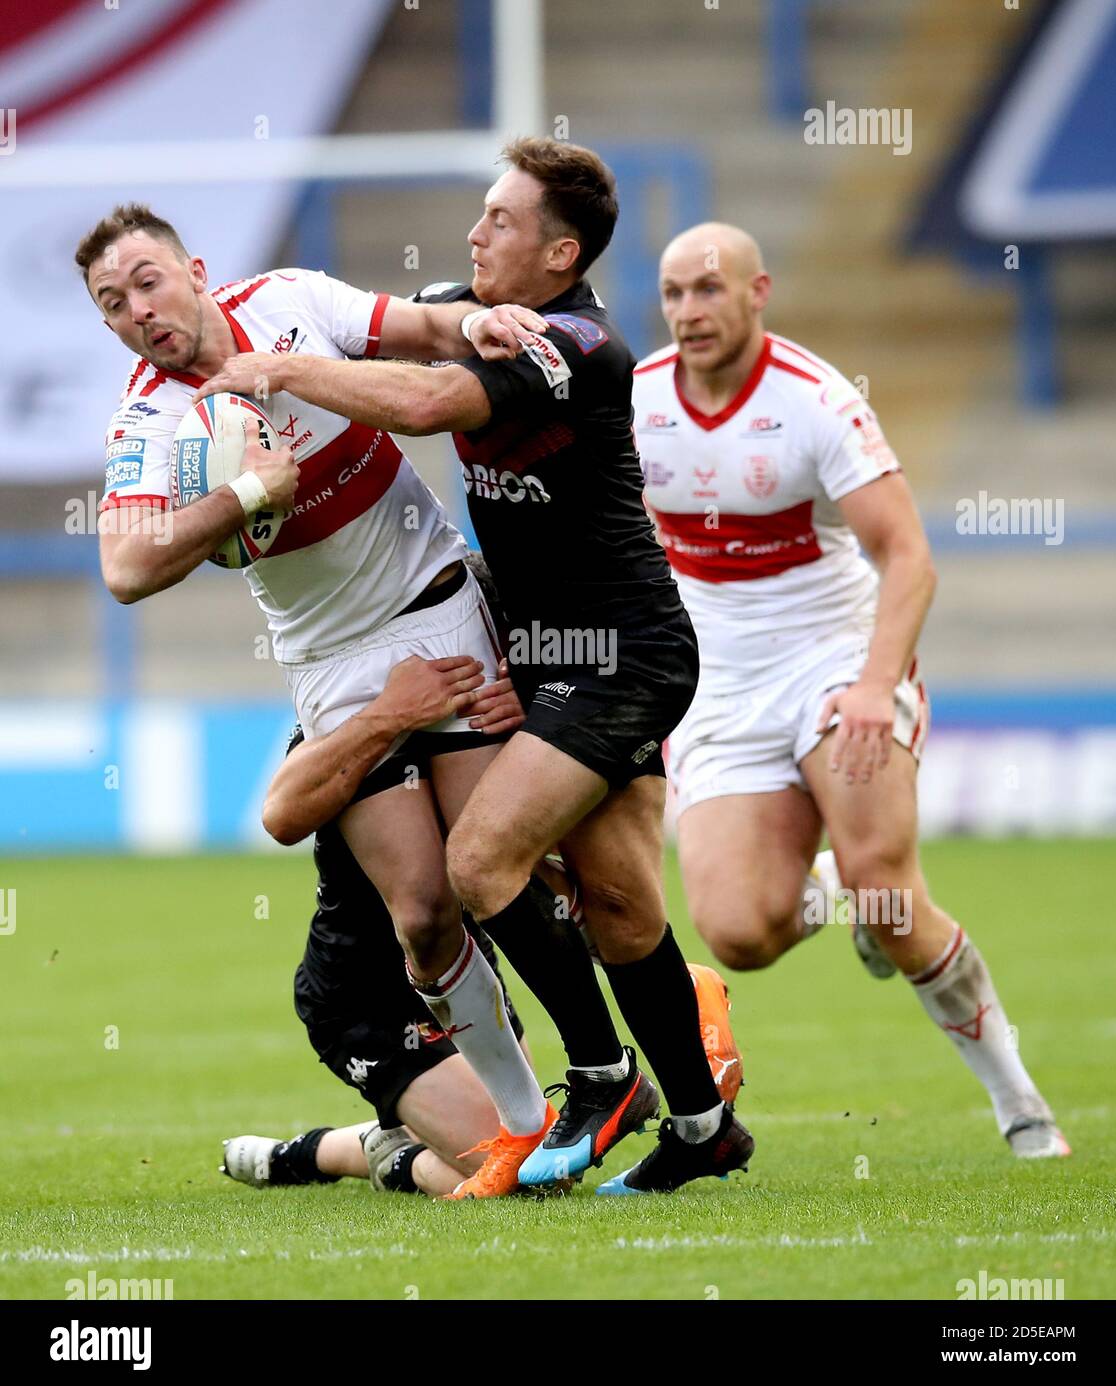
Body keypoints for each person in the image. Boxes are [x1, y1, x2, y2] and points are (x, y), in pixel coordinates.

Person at [195, 138, 754, 1198]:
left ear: (561, 252)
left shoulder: (579, 346)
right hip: (541, 654)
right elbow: (402, 327)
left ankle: (598, 1075)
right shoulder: (476, 309)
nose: (474, 233)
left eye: (500, 220)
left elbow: (417, 404)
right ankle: (701, 1124)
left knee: (482, 864)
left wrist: (274, 367)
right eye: (480, 214)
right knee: (623, 906)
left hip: (624, 650)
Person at [80, 206, 628, 1189]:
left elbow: (416, 330)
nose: (138, 311)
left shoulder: (289, 302)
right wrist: (246, 498)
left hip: (431, 605)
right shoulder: (146, 420)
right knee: (419, 912)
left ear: (195, 270)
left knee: (486, 867)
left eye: (149, 280)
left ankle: (617, 1058)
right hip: (330, 665)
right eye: (113, 303)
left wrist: (478, 323)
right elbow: (124, 568)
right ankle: (525, 1125)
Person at [633, 221, 1068, 1159]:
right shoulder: (637, 403)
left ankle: (1019, 1100)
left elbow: (907, 555)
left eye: (709, 289)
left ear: (759, 292)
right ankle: (825, 888)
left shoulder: (814, 399)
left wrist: (875, 686)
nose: (688, 311)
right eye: (673, 293)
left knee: (891, 899)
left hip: (834, 660)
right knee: (740, 932)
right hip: (719, 680)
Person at [223, 636, 743, 1198]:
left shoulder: (492, 726)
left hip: (468, 983)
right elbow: (280, 813)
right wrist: (387, 715)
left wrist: (666, 1004)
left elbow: (545, 890)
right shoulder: (356, 702)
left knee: (534, 1155)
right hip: (365, 1000)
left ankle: (681, 1000)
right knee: (528, 1186)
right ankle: (363, 1152)